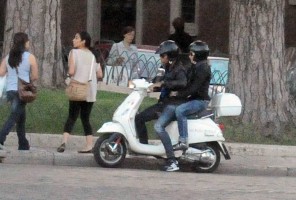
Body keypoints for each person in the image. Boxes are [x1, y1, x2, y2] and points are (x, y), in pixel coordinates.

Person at [134, 40, 187, 165]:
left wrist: (163, 84)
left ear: (169, 56)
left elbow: (182, 83)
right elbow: (157, 81)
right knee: (139, 118)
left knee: (158, 127)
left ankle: (171, 158)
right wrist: (147, 83)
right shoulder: (166, 68)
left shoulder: (179, 69)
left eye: (162, 55)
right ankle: (143, 147)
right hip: (164, 103)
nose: (160, 58)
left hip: (172, 105)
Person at [57, 31, 103, 153]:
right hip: (90, 90)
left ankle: (64, 142)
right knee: (85, 118)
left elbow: (71, 71)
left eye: (76, 38)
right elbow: (100, 74)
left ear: (83, 41)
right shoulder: (94, 55)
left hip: (77, 88)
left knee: (72, 116)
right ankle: (89, 145)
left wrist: (67, 75)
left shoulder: (74, 52)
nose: (73, 39)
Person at [0, 32, 39, 150]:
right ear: (24, 42)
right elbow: (35, 76)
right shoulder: (30, 57)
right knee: (14, 116)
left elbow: (1, 73)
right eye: (27, 41)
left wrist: (10, 74)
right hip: (22, 91)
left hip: (11, 90)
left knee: (20, 117)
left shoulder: (8, 57)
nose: (29, 43)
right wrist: (27, 79)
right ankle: (1, 137)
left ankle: (23, 144)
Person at [173, 41, 211, 151]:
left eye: (191, 53)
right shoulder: (197, 66)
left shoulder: (203, 68)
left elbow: (193, 87)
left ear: (196, 54)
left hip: (200, 101)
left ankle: (183, 140)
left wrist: (179, 94)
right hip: (194, 99)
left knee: (180, 110)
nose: (189, 55)